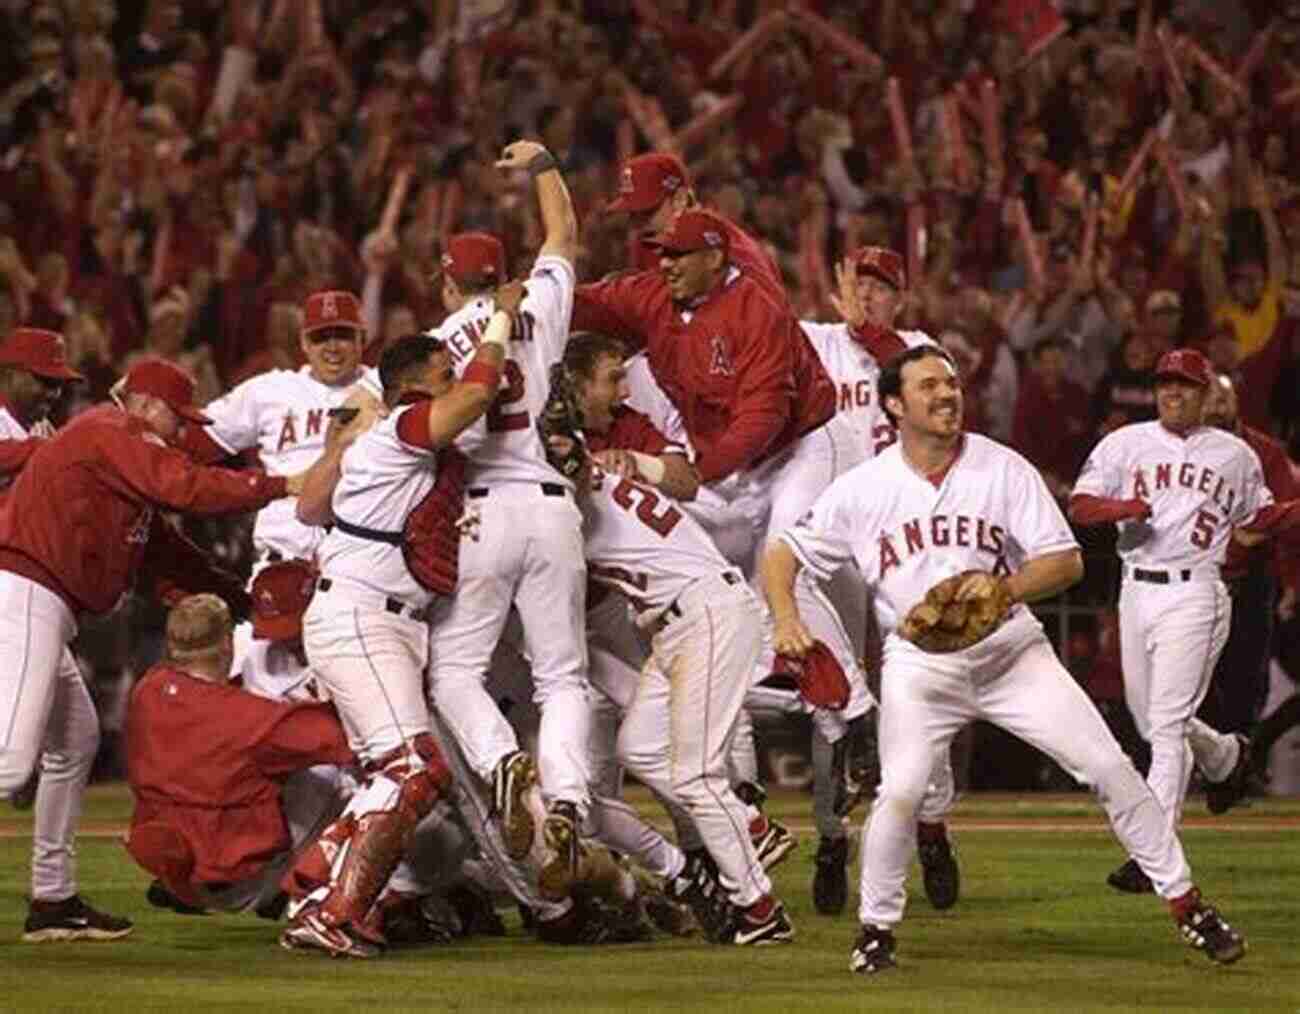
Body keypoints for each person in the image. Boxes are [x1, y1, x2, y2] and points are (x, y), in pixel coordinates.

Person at [762, 344, 1246, 974]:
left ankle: (1188, 905)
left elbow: (1065, 559)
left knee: (1110, 768)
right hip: (921, 666)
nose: (946, 394)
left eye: (952, 383)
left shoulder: (1002, 468)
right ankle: (876, 928)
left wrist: (1005, 589)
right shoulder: (864, 487)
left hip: (1012, 655)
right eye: (929, 385)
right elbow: (783, 552)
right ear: (893, 404)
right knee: (901, 793)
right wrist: (786, 617)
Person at [0, 356, 303, 942]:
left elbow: (168, 555)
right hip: (23, 591)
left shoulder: (121, 463)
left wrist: (240, 599)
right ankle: (52, 898)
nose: (180, 431)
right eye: (175, 416)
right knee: (11, 763)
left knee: (75, 740)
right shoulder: (108, 430)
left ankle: (53, 899)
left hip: (42, 600)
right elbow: (185, 486)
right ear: (142, 402)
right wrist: (280, 485)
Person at [550, 335, 795, 947]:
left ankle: (759, 909)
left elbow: (570, 487)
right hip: (681, 617)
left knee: (696, 778)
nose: (624, 390)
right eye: (610, 378)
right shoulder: (588, 458)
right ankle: (749, 826)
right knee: (640, 745)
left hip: (707, 611)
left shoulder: (570, 475)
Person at [285, 315, 510, 957]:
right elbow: (475, 396)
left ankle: (317, 882)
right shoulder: (401, 429)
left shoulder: (384, 439)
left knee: (405, 772)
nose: (455, 381)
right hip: (362, 614)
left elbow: (312, 508)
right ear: (414, 384)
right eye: (444, 372)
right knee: (413, 766)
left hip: (386, 619)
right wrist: (498, 322)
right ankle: (334, 912)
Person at [424, 139, 592, 863]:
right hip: (554, 508)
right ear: (500, 273)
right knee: (562, 677)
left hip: (483, 510)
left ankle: (500, 763)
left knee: (456, 672)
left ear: (446, 281)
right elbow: (563, 234)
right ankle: (569, 803)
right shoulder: (544, 303)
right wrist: (546, 163)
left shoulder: (438, 343)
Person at [1068, 349, 1278, 891]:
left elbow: (1257, 519)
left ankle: (1153, 852)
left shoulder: (1235, 454)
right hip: (1136, 591)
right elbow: (1082, 504)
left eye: (1184, 385)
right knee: (1153, 721)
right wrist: (1123, 510)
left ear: (1206, 393)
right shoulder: (1126, 443)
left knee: (1164, 727)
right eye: (1165, 384)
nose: (1172, 393)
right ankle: (1227, 755)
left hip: (1197, 591)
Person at [797, 247, 960, 916]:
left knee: (928, 685)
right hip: (835, 539)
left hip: (901, 538)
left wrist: (870, 336)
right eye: (858, 281)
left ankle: (932, 829)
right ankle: (833, 838)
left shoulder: (920, 349)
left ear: (903, 296)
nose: (867, 294)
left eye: (882, 286)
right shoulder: (813, 340)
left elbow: (924, 388)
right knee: (831, 694)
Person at [124, 593, 355, 918]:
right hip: (243, 884)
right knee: (342, 777)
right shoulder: (249, 719)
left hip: (175, 868)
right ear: (227, 644)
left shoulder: (146, 692)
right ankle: (337, 898)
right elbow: (342, 736)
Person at [179, 289, 382, 572]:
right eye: (320, 337)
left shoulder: (387, 390)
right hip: (284, 560)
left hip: (362, 561)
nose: (332, 347)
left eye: (343, 335)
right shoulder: (270, 390)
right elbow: (191, 443)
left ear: (363, 338)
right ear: (303, 343)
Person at [1199, 372, 1300, 736]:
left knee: (1247, 674)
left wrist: (1289, 581)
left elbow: (1286, 513)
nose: (1216, 406)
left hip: (1251, 581)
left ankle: (1240, 764)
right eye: (1209, 398)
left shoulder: (1265, 451)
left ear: (1237, 403)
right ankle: (1205, 765)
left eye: (1223, 398)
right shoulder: (1181, 449)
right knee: (1197, 676)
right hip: (1197, 580)